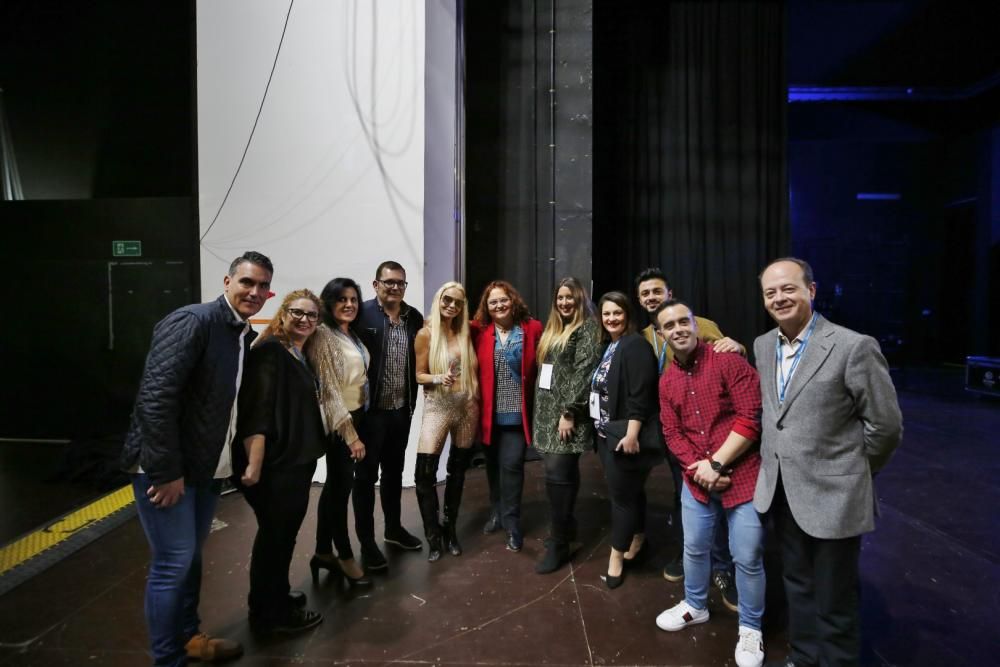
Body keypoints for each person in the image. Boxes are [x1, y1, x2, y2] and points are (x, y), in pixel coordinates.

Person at [120, 251, 272, 666]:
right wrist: (167, 471)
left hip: (205, 468)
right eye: (246, 282)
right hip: (168, 469)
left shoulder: (238, 333)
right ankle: (168, 659)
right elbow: (154, 400)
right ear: (227, 282)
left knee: (190, 561)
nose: (254, 292)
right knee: (172, 563)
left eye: (262, 286)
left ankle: (189, 638)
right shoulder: (194, 321)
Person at [754, 258, 902, 667]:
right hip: (782, 492)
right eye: (771, 292)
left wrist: (852, 473)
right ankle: (802, 658)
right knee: (797, 586)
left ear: (811, 291)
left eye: (788, 288)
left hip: (835, 499)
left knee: (835, 601)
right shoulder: (763, 346)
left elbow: (886, 427)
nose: (780, 298)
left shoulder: (853, 346)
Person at [654, 300, 766, 667]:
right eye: (669, 325)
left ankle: (751, 629)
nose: (678, 329)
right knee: (695, 549)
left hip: (743, 477)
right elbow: (672, 433)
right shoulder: (667, 380)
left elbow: (751, 418)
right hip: (698, 480)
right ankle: (695, 605)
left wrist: (716, 464)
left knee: (747, 557)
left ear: (695, 324)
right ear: (661, 334)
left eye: (683, 322)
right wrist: (699, 469)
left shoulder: (730, 361)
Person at [634, 266, 742, 610]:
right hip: (675, 429)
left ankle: (724, 569)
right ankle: (688, 557)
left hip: (713, 429)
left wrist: (737, 346)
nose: (651, 297)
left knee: (718, 497)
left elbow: (732, 360)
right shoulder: (643, 336)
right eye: (644, 294)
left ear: (669, 293)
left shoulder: (701, 325)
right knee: (686, 494)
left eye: (656, 291)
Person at [235, 289, 328, 634]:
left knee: (283, 535)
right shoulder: (271, 351)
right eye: (298, 313)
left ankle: (274, 596)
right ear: (284, 312)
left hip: (296, 461)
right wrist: (254, 464)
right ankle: (268, 614)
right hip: (278, 464)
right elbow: (257, 411)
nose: (305, 320)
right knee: (275, 537)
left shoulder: (296, 351)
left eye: (312, 315)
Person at [354, 261, 425, 572]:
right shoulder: (362, 314)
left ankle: (393, 529)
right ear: (376, 284)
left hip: (401, 411)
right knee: (365, 478)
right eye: (389, 282)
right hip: (371, 415)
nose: (395, 287)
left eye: (401, 283)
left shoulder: (414, 317)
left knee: (394, 473)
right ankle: (367, 543)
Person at [590, 292, 663, 589]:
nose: (611, 319)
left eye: (617, 313)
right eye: (606, 314)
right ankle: (638, 536)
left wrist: (632, 433)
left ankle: (615, 558)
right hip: (606, 434)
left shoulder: (635, 346)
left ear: (628, 315)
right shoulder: (610, 346)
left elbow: (640, 395)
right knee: (630, 492)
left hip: (624, 436)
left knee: (620, 499)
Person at [532, 277, 603, 574]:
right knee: (561, 472)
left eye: (570, 298)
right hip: (547, 413)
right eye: (560, 297)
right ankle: (566, 525)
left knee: (557, 474)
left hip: (566, 415)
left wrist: (569, 411)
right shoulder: (554, 328)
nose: (564, 302)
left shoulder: (587, 328)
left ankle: (559, 542)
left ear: (580, 300)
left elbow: (585, 373)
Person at [307, 277, 373, 589]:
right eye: (342, 299)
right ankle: (345, 555)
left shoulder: (349, 334)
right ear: (329, 302)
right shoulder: (323, 335)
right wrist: (351, 435)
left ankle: (322, 552)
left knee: (335, 488)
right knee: (340, 491)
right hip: (340, 424)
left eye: (353, 299)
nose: (349, 305)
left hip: (357, 416)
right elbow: (329, 392)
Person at [471, 280, 543, 552]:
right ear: (486, 308)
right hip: (489, 416)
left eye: (503, 300)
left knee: (512, 467)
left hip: (516, 415)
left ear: (513, 301)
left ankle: (512, 522)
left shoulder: (532, 328)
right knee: (492, 467)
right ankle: (496, 512)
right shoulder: (480, 331)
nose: (499, 305)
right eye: (493, 302)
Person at [412, 282, 480, 561]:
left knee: (458, 471)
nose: (452, 305)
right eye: (447, 299)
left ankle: (450, 529)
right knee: (423, 473)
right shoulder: (426, 334)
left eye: (458, 302)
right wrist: (439, 378)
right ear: (439, 299)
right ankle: (433, 535)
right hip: (438, 405)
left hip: (467, 407)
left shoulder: (466, 332)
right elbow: (419, 376)